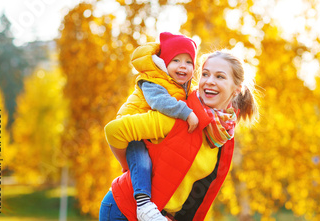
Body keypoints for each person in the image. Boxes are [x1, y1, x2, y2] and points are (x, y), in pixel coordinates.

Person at [100, 50, 259, 221]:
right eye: (205, 74)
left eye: (220, 77)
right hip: (123, 210)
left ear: (237, 89)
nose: (209, 81)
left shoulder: (223, 135)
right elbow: (114, 130)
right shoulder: (178, 114)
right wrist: (133, 170)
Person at [112, 32, 199, 221]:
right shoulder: (152, 80)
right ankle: (143, 204)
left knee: (149, 165)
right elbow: (159, 102)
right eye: (176, 60)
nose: (183, 65)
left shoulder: (183, 87)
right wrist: (187, 113)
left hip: (149, 132)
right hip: (134, 127)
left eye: (189, 62)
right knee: (142, 160)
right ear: (164, 64)